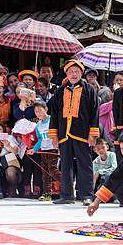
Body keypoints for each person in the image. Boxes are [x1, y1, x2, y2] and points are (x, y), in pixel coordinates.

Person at [48, 59, 99, 205]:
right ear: (66, 74)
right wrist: (54, 135)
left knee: (85, 164)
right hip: (64, 133)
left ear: (81, 73)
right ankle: (67, 195)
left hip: (82, 133)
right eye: (70, 72)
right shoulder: (60, 91)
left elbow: (95, 112)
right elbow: (54, 114)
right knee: (65, 165)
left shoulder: (89, 90)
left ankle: (87, 195)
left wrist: (93, 133)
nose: (73, 74)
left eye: (76, 71)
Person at [28, 99, 60, 201]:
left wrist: (60, 148)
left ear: (46, 109)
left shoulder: (52, 120)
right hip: (44, 151)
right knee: (45, 173)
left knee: (53, 170)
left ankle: (66, 184)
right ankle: (47, 193)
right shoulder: (38, 125)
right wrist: (34, 149)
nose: (38, 113)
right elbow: (40, 139)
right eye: (36, 111)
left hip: (53, 150)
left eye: (40, 110)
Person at [0, 121, 22, 198]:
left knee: (10, 171)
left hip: (12, 169)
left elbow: (17, 151)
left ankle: (12, 189)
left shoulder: (9, 138)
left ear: (3, 130)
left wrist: (9, 145)